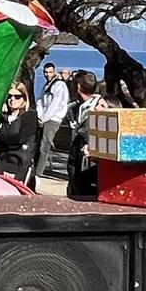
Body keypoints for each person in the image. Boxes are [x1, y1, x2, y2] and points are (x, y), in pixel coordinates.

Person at [65, 72, 103, 200]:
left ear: (78, 86)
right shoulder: (76, 107)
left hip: (90, 164)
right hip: (76, 161)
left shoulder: (100, 107)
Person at [0, 81, 39, 181]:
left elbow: (19, 138)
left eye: (17, 96)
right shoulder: (3, 117)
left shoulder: (29, 116)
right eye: (10, 96)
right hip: (1, 163)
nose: (12, 99)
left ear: (24, 98)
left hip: (20, 165)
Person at [35, 62, 70, 182]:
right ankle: (35, 169)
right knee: (39, 143)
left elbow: (55, 105)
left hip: (53, 119)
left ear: (54, 71)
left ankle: (38, 174)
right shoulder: (46, 85)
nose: (47, 74)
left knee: (44, 145)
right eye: (45, 72)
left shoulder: (59, 85)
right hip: (43, 118)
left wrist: (44, 118)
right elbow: (40, 100)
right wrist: (39, 115)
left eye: (50, 72)